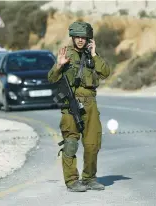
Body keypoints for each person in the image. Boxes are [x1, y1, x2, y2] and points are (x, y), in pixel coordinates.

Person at [48, 21, 111, 192]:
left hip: (90, 105)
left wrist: (95, 54)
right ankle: (71, 181)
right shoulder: (66, 54)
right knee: (71, 143)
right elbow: (51, 79)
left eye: (83, 37)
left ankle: (89, 178)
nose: (80, 40)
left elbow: (105, 72)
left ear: (88, 38)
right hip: (71, 105)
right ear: (72, 37)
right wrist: (59, 65)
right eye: (77, 37)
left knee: (92, 144)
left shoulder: (91, 56)